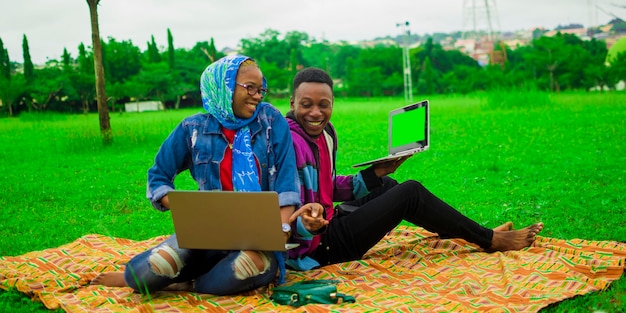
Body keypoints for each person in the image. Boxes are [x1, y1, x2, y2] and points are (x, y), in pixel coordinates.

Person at [285, 67, 543, 270]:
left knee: (387, 187)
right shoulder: (287, 144)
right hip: (318, 246)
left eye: (324, 104)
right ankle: (489, 239)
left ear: (333, 103)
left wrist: (376, 172)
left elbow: (327, 187)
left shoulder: (325, 133)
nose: (316, 113)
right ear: (292, 103)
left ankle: (464, 233)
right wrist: (308, 225)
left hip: (332, 219)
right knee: (410, 193)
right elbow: (282, 210)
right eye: (306, 104)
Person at [92, 55, 300, 295]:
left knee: (243, 269)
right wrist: (186, 206)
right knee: (139, 275)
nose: (258, 95)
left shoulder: (272, 122)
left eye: (261, 88)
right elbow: (158, 176)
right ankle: (187, 274)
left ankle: (185, 282)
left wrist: (281, 230)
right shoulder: (192, 129)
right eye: (249, 88)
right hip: (206, 235)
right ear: (223, 87)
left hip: (256, 242)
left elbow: (287, 188)